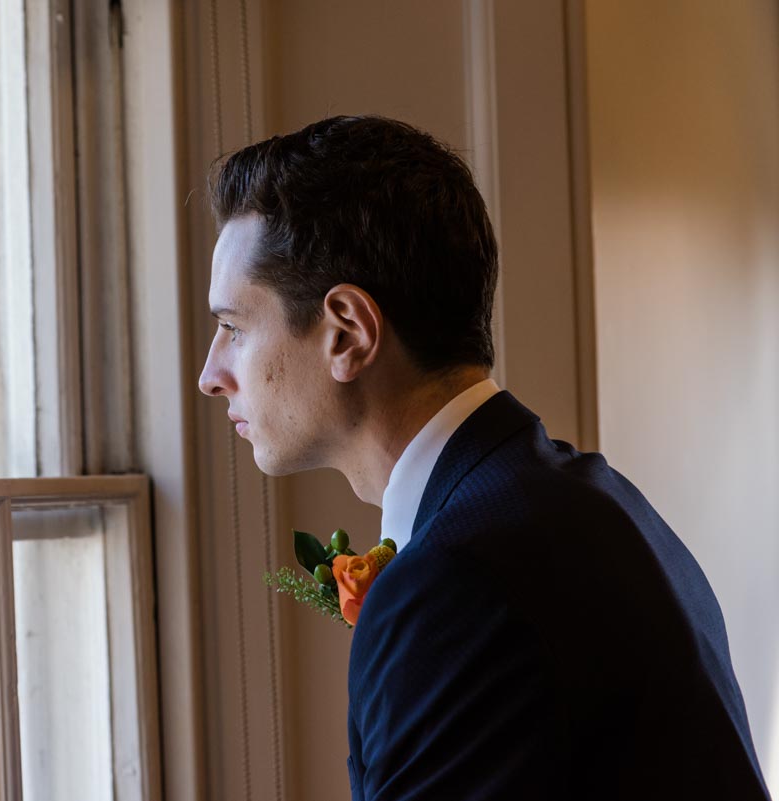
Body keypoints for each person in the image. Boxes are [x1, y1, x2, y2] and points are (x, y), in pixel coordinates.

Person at [197, 115, 772, 800]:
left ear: (347, 332)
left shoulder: (460, 579)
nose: (210, 372)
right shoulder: (590, 498)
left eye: (232, 327)